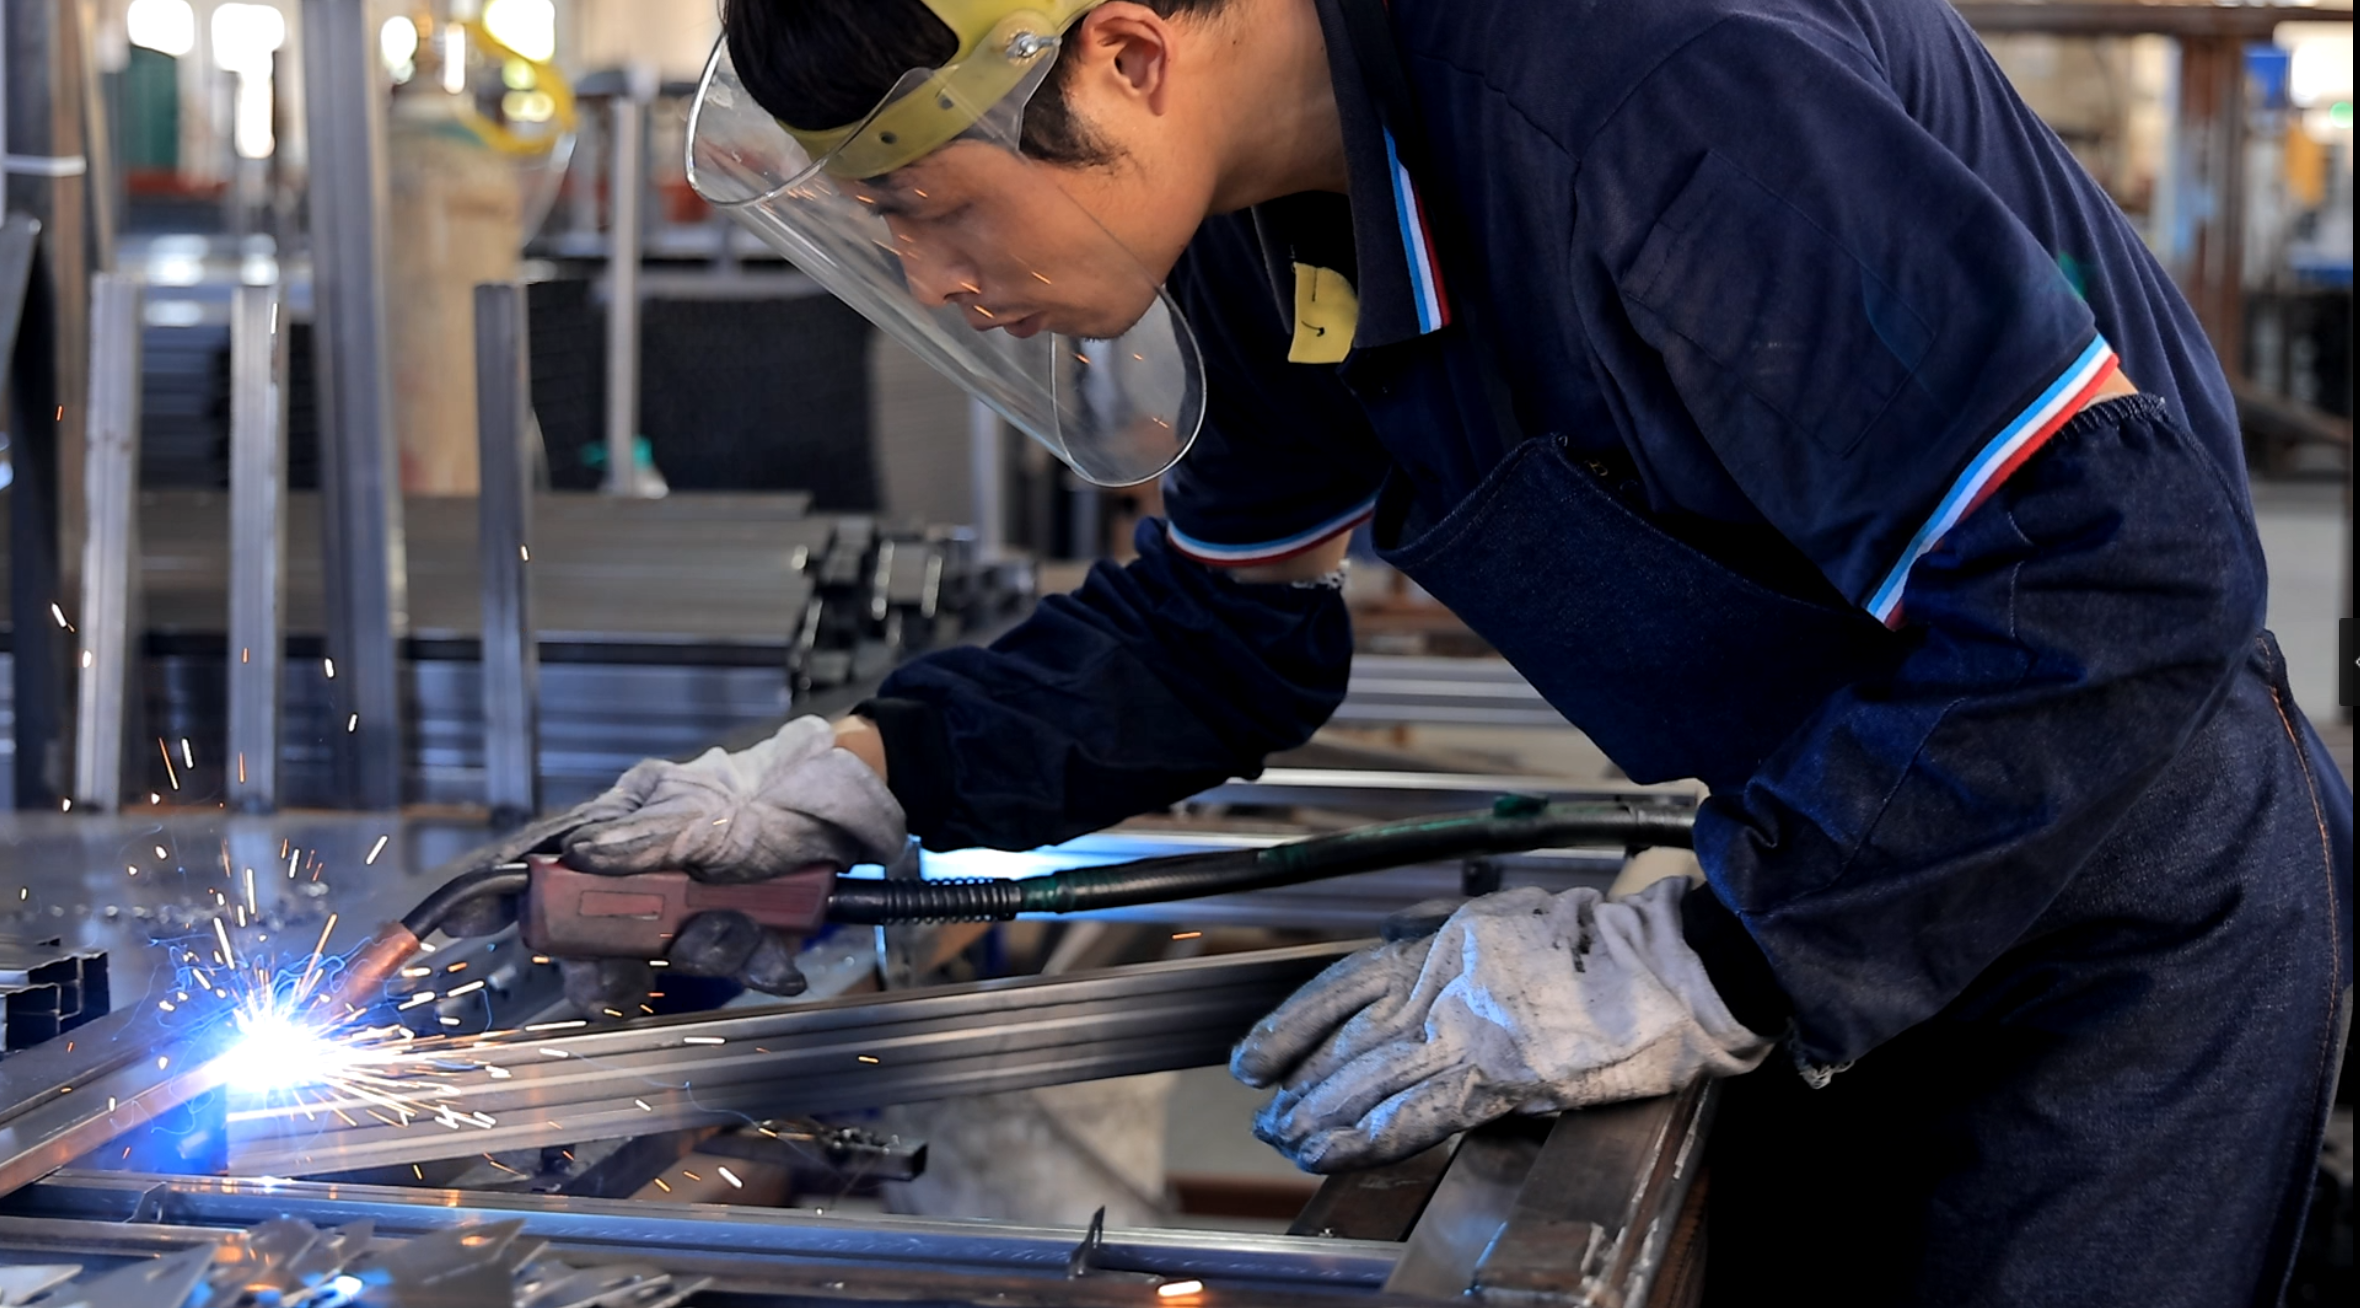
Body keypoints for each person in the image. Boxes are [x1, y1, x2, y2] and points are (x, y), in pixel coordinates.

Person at [493, 0, 2354, 1301]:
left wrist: (1712, 954)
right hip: (1842, 863)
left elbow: (2119, 578)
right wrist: (855, 777)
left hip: (2115, 898)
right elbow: (1229, 635)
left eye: (924, 208)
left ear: (1126, 55)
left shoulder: (1641, 91)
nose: (939, 284)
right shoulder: (1252, 218)